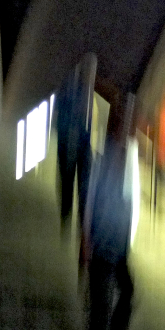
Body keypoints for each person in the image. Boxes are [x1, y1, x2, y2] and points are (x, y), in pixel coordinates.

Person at [83, 104, 137, 330]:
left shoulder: (124, 160)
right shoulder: (105, 160)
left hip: (116, 247)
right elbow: (92, 201)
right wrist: (86, 242)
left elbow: (126, 206)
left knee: (124, 296)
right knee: (101, 313)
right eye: (126, 124)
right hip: (104, 246)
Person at [55, 55, 97, 232]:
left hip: (77, 138)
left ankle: (72, 217)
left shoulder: (74, 88)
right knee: (74, 178)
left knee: (76, 179)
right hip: (74, 137)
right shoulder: (74, 89)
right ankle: (71, 216)